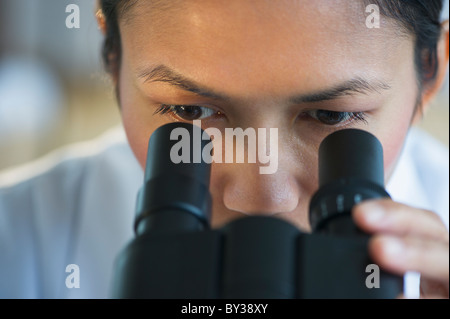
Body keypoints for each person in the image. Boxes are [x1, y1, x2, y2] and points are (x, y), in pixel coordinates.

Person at [0, 0, 448, 299]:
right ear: (112, 58)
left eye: (331, 117)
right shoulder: (17, 244)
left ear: (432, 71)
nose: (261, 200)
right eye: (189, 111)